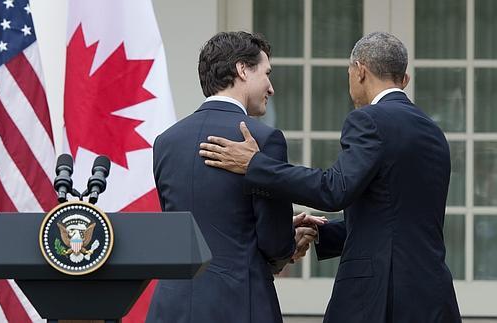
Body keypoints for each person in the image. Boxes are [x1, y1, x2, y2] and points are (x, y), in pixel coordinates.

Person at [199, 32, 461, 322]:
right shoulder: (433, 133)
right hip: (432, 296)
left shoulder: (369, 120)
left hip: (379, 298)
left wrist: (255, 164)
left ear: (360, 71)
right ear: (405, 79)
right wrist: (321, 233)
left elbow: (334, 190)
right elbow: (397, 219)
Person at [146, 31, 321, 323]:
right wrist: (289, 242)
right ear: (242, 69)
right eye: (266, 73)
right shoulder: (265, 139)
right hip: (239, 304)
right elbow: (274, 243)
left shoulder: (166, 142)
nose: (271, 87)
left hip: (172, 306)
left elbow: (200, 221)